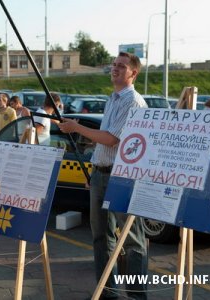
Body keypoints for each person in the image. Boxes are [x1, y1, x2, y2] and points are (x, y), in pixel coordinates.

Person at [58, 52, 148, 299]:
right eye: (114, 65)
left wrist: (76, 127)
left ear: (133, 73)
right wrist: (95, 169)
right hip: (101, 174)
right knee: (101, 237)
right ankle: (107, 292)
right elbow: (104, 142)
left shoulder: (133, 102)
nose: (115, 69)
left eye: (122, 66)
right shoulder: (112, 99)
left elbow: (111, 139)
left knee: (131, 240)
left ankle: (136, 296)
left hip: (123, 178)